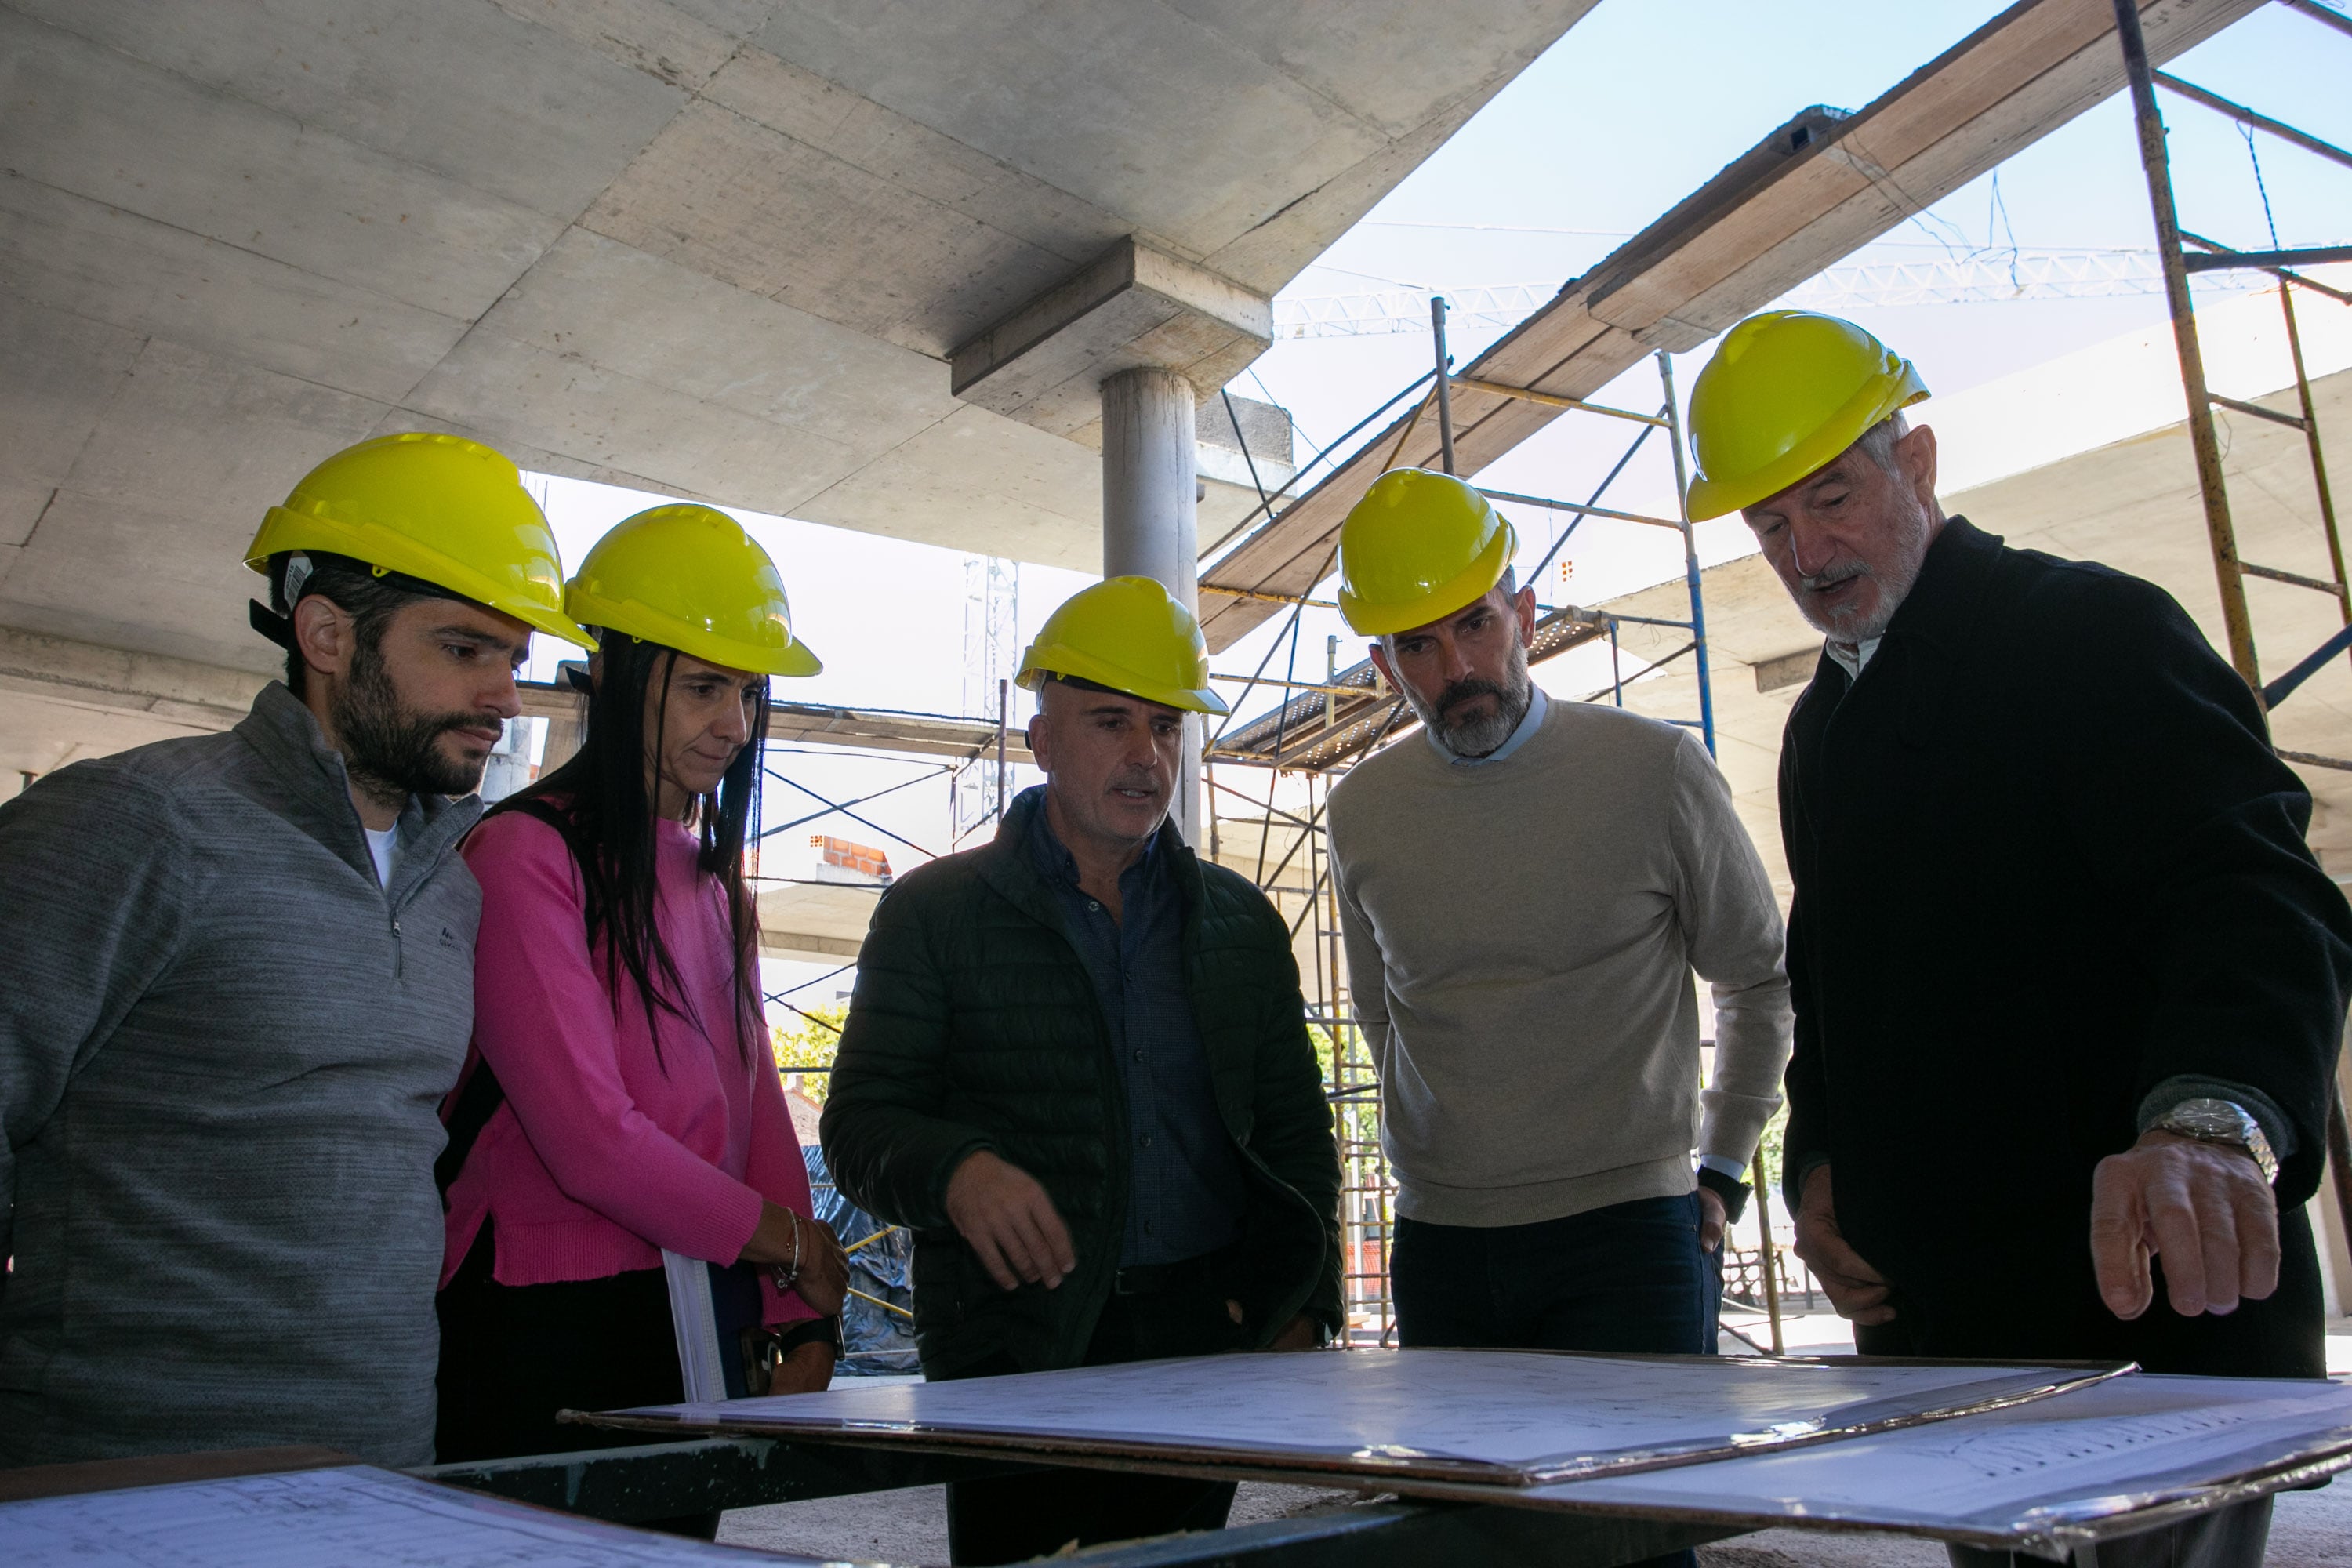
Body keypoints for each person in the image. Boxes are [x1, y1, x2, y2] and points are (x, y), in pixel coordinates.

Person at [1684, 309, 2352, 1568]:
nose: (1806, 551)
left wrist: (2213, 1116)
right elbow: (1824, 984)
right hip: (1952, 1332)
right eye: (1770, 525)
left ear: (1919, 465)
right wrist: (1818, 1162)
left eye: (1831, 498)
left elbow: (2253, 891)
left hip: (2153, 1308)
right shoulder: (1824, 725)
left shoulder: (2090, 634)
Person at [0, 433, 593, 1468]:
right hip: (118, 1478)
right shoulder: (130, 824)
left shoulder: (453, 882)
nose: (504, 695)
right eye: (464, 648)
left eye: (514, 659)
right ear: (326, 633)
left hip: (380, 1468)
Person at [822, 576, 1341, 1566]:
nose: (1146, 754)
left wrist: (1301, 1304)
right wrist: (958, 1170)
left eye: (1165, 725)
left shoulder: (1238, 922)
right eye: (1110, 721)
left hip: (1204, 1334)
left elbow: (1293, 1130)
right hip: (1018, 1345)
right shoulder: (934, 914)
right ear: (1042, 740)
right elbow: (860, 1122)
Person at [1323, 471, 1790, 1565]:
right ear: (1382, 666)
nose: (1457, 671)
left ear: (1524, 617)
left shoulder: (1655, 770)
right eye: (1418, 649)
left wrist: (1719, 1172)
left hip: (1628, 1240)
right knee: (1470, 1549)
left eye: (1474, 627)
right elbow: (1382, 1017)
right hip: (1442, 1245)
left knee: (1632, 1547)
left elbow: (1759, 985)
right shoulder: (1362, 812)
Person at [435, 505, 848, 1513]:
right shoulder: (526, 854)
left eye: (748, 693)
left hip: (693, 1295)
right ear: (615, 678)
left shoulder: (714, 886)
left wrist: (797, 1302)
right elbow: (591, 1139)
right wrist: (785, 1245)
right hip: (541, 1317)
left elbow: (753, 1115)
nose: (736, 724)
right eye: (704, 687)